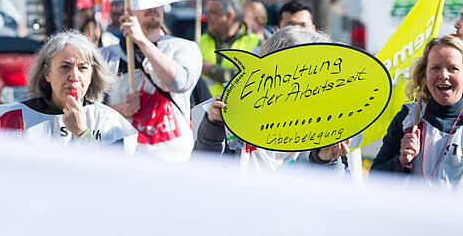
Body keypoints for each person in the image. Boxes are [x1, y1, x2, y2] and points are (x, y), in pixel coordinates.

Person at [193, 25, 349, 171]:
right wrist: (214, 126)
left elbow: (337, 192)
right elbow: (202, 173)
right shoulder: (231, 114)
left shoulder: (324, 121)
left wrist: (326, 160)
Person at [0, 30, 137, 152]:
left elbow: (112, 181)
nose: (74, 76)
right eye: (65, 67)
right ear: (47, 73)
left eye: (83, 68)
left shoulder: (110, 122)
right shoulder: (4, 118)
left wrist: (82, 134)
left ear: (92, 75)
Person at [102, 6, 202, 161]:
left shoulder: (183, 47)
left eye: (157, 2)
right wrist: (120, 110)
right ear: (128, 10)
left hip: (174, 160)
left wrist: (141, 40)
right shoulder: (106, 56)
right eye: (144, 3)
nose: (153, 7)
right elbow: (90, 110)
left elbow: (179, 82)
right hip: (126, 159)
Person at [371, 35, 463, 186]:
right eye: (435, 68)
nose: (443, 75)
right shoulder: (409, 118)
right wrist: (401, 162)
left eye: (453, 68)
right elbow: (375, 179)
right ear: (424, 75)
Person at [197, 0, 261, 98]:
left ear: (229, 15)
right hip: (205, 110)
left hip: (239, 109)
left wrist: (212, 70)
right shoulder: (201, 40)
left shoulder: (256, 43)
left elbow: (253, 79)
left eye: (212, 12)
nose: (206, 16)